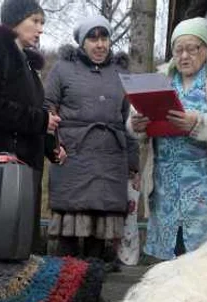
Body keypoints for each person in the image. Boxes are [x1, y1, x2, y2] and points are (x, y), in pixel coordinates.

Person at [129, 17, 207, 261]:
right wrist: (136, 125)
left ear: (206, 49)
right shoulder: (161, 77)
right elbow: (136, 118)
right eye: (178, 50)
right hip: (166, 186)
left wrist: (199, 123)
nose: (184, 56)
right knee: (170, 259)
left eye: (192, 48)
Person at [0, 0, 64, 249]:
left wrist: (51, 145)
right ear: (14, 21)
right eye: (35, 21)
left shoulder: (28, 63)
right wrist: (41, 120)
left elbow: (34, 110)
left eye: (42, 22)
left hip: (24, 167)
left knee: (19, 242)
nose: (40, 29)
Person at [44, 15, 140, 263]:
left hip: (110, 160)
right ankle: (63, 289)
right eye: (93, 38)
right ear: (82, 42)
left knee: (100, 232)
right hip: (73, 158)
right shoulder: (63, 69)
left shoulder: (121, 72)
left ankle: (94, 287)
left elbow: (129, 118)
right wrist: (54, 146)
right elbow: (47, 109)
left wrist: (133, 165)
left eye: (104, 37)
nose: (100, 44)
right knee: (68, 234)